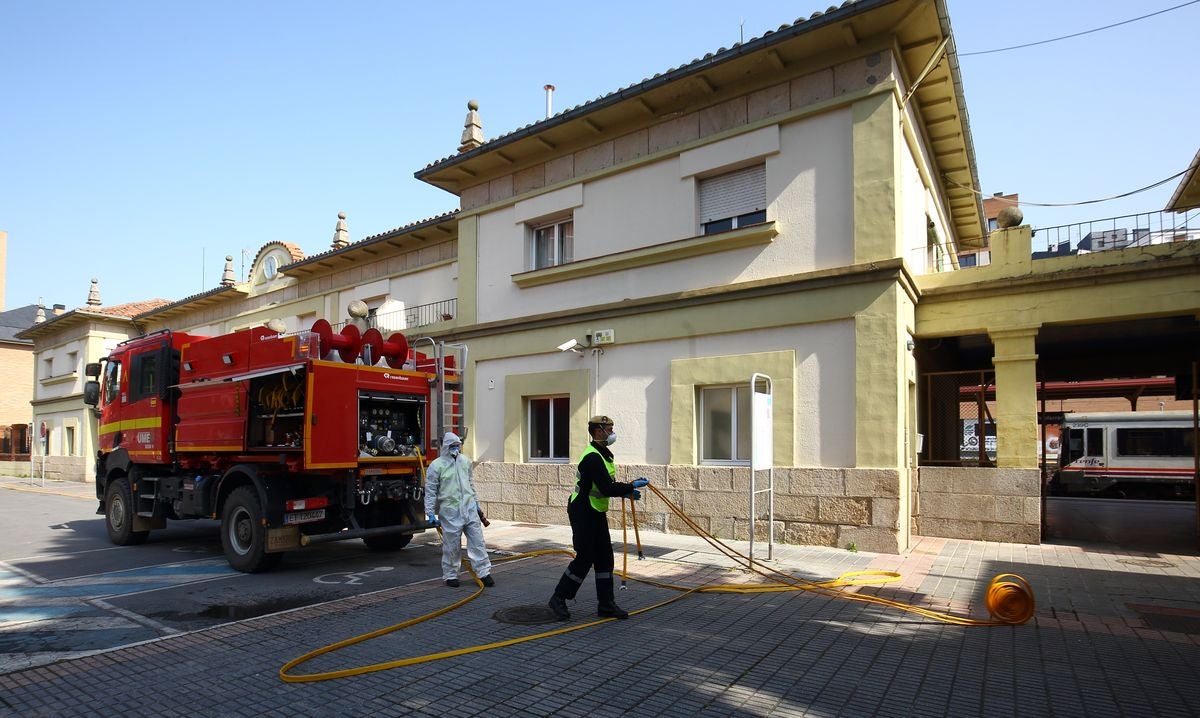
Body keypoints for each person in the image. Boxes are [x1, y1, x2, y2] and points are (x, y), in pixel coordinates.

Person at [547, 415, 649, 620]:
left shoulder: (604, 454)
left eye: (612, 429)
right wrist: (629, 487)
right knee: (585, 557)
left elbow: (605, 485)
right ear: (598, 431)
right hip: (583, 510)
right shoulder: (592, 456)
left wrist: (626, 490)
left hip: (596, 510)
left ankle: (606, 605)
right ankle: (558, 598)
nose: (612, 433)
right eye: (609, 429)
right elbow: (606, 487)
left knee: (605, 557)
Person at [424, 432, 494, 588]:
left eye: (458, 446)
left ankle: (484, 573)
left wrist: (476, 504)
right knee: (451, 546)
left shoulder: (465, 462)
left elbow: (471, 485)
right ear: (446, 447)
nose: (456, 449)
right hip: (450, 513)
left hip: (469, 509)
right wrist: (429, 513)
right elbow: (430, 491)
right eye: (453, 446)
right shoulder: (437, 466)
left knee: (478, 543)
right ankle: (451, 575)